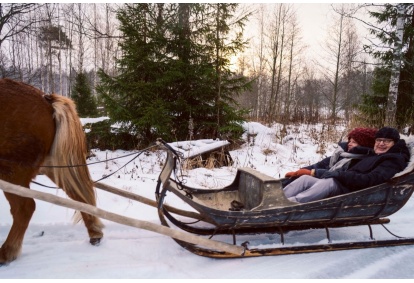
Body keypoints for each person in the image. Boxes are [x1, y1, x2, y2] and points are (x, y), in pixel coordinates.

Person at [284, 127, 410, 203]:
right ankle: (278, 199)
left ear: (395, 143)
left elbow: (371, 179)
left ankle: (290, 204)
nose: (381, 143)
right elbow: (328, 163)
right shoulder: (373, 154)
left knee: (329, 182)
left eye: (387, 141)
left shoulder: (392, 160)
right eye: (379, 140)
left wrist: (339, 175)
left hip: (354, 192)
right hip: (344, 183)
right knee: (305, 179)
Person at [284, 127, 378, 181]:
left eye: (354, 142)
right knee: (296, 179)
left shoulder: (358, 160)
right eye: (349, 140)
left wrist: (312, 173)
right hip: (323, 179)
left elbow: (340, 175)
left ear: (363, 145)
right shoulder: (341, 154)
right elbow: (320, 165)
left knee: (304, 180)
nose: (349, 143)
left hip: (330, 184)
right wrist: (300, 171)